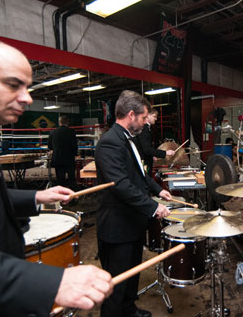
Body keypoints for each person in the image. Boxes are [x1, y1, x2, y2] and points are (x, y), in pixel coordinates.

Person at [0, 38, 113, 316]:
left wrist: (36, 196)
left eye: (27, 87)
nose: (27, 98)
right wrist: (52, 282)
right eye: (12, 84)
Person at [95, 90, 172, 317]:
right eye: (143, 116)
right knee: (116, 285)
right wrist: (153, 206)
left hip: (132, 222)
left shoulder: (129, 139)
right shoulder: (110, 142)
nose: (145, 121)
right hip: (117, 226)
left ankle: (129, 310)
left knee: (131, 276)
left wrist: (159, 190)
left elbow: (140, 174)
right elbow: (120, 185)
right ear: (131, 115)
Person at [135, 107, 174, 174]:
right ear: (147, 115)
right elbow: (146, 149)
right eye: (154, 116)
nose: (156, 119)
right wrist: (165, 153)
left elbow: (143, 146)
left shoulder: (146, 128)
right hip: (144, 163)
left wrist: (152, 156)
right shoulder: (144, 129)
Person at [48, 114, 78, 190]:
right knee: (72, 180)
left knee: (60, 181)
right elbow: (75, 146)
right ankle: (73, 198)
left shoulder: (53, 132)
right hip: (69, 159)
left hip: (58, 159)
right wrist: (75, 154)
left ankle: (62, 199)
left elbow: (50, 147)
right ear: (67, 122)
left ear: (59, 122)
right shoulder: (71, 132)